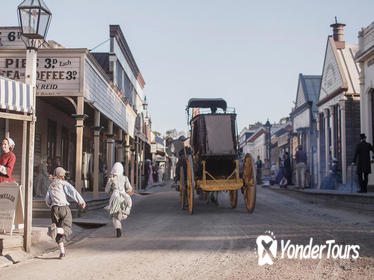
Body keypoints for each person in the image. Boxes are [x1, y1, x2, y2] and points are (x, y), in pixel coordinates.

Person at [45, 167, 86, 259]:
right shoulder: (64, 184)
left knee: (58, 231)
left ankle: (62, 252)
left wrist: (50, 205)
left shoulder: (51, 185)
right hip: (64, 208)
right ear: (62, 176)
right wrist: (81, 201)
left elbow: (47, 199)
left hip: (54, 209)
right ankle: (55, 230)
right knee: (67, 228)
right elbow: (73, 192)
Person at [105, 162, 133, 238]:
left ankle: (118, 228)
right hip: (123, 197)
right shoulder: (125, 178)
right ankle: (121, 218)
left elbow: (107, 190)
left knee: (114, 215)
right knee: (123, 211)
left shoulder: (111, 178)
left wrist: (110, 183)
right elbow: (130, 188)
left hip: (115, 197)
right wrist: (126, 191)